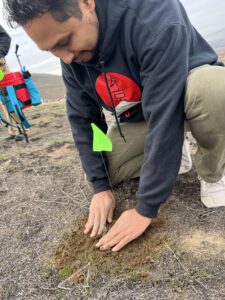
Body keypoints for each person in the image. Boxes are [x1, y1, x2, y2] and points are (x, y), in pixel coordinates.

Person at [5, 0, 225, 252]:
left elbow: (164, 113)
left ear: (86, 3)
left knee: (213, 89)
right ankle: (177, 154)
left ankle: (215, 171)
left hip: (189, 94)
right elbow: (86, 120)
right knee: (110, 169)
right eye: (51, 50)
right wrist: (100, 186)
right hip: (145, 117)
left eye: (65, 41)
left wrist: (145, 208)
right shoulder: (72, 60)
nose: (65, 58)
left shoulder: (153, 12)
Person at [0, 25, 24, 140]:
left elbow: (5, 37)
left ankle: (20, 128)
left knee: (9, 96)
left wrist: (0, 54)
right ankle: (12, 129)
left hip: (0, 65)